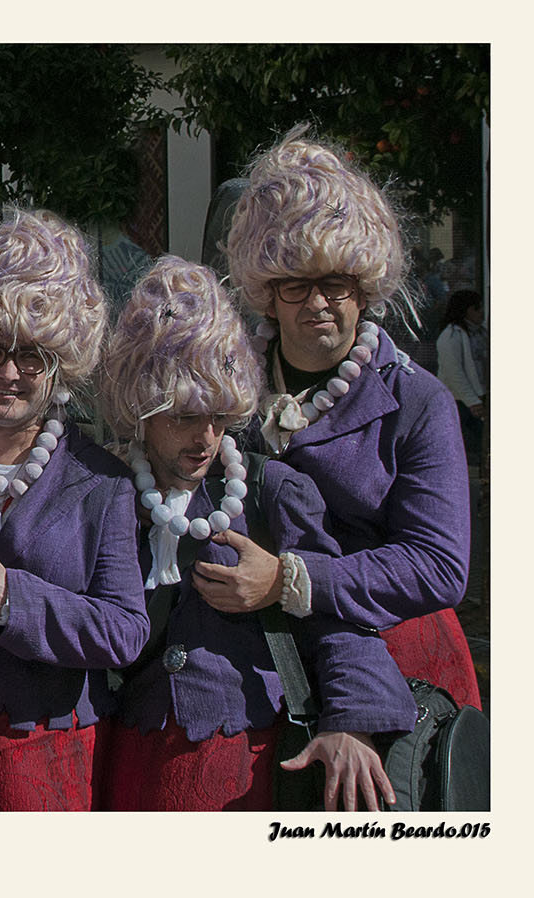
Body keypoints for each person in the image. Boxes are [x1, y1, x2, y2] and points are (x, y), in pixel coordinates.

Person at [98, 257, 416, 811]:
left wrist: (352, 721)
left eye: (220, 414)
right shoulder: (103, 492)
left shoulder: (272, 490)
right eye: (184, 415)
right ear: (142, 408)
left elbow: (336, 616)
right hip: (129, 760)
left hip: (248, 761)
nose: (206, 437)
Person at [226, 130, 481, 708]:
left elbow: (438, 567)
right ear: (269, 294)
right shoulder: (228, 384)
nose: (318, 302)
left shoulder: (419, 401)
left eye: (335, 284)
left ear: (363, 290)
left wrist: (292, 579)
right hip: (251, 669)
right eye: (297, 284)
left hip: (395, 661)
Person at [0, 209, 147, 811]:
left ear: (61, 366)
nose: (9, 373)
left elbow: (126, 631)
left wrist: (12, 600)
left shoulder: (102, 482)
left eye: (33, 357)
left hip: (48, 751)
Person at [435, 289, 486, 464]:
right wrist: (472, 401)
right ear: (465, 310)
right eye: (476, 308)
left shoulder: (480, 333)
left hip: (477, 397)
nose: (481, 313)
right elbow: (454, 372)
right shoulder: (451, 335)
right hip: (460, 401)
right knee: (467, 449)